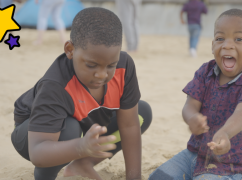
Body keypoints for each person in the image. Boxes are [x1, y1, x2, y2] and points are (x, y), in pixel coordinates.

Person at [11, 7, 152, 180]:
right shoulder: (55, 86)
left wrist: (134, 177)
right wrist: (80, 146)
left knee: (141, 113)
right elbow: (37, 152)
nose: (102, 74)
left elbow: (129, 126)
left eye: (110, 65)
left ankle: (83, 164)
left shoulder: (125, 67)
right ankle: (45, 176)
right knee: (70, 128)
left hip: (83, 124)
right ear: (70, 50)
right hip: (34, 135)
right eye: (91, 65)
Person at [150, 9, 242, 180]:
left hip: (229, 164)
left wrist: (226, 133)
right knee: (158, 177)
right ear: (213, 45)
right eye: (220, 39)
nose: (227, 45)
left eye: (239, 39)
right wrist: (191, 118)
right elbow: (191, 105)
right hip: (193, 155)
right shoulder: (205, 71)